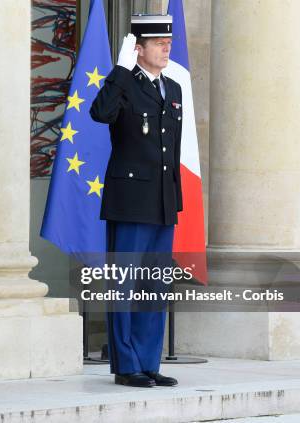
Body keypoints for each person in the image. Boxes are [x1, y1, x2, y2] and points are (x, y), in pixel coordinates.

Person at [90, 14, 182, 388]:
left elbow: (170, 148)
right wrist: (120, 70)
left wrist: (174, 196)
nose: (165, 48)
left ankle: (148, 361)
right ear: (138, 48)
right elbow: (100, 114)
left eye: (168, 43)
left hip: (162, 200)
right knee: (125, 284)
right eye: (158, 43)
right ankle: (126, 364)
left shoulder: (173, 88)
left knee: (154, 284)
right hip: (129, 200)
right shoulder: (124, 83)